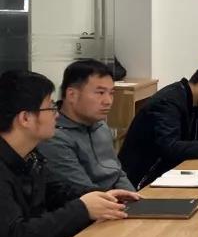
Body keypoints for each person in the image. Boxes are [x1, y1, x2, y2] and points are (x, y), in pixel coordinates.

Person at [0, 70, 140, 237]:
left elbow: (57, 191)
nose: (56, 114)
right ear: (25, 118)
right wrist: (82, 209)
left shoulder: (30, 155)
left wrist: (101, 196)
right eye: (50, 107)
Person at [118, 55, 198, 188]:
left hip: (168, 175)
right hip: (140, 182)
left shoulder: (193, 99)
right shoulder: (168, 102)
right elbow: (170, 147)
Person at [37, 60, 135, 192]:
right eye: (100, 93)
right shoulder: (53, 136)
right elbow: (82, 189)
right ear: (72, 95)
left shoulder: (101, 126)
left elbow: (117, 173)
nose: (108, 101)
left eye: (111, 93)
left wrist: (136, 199)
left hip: (114, 199)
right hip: (89, 201)